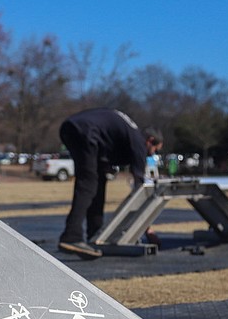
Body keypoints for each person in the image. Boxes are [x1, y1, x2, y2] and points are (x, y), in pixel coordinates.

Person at [57, 108, 160, 259]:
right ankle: (71, 236)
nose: (151, 155)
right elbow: (140, 191)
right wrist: (147, 229)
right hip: (86, 131)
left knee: (98, 181)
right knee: (88, 183)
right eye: (154, 150)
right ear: (150, 141)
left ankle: (94, 236)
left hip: (72, 127)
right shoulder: (139, 142)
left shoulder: (127, 133)